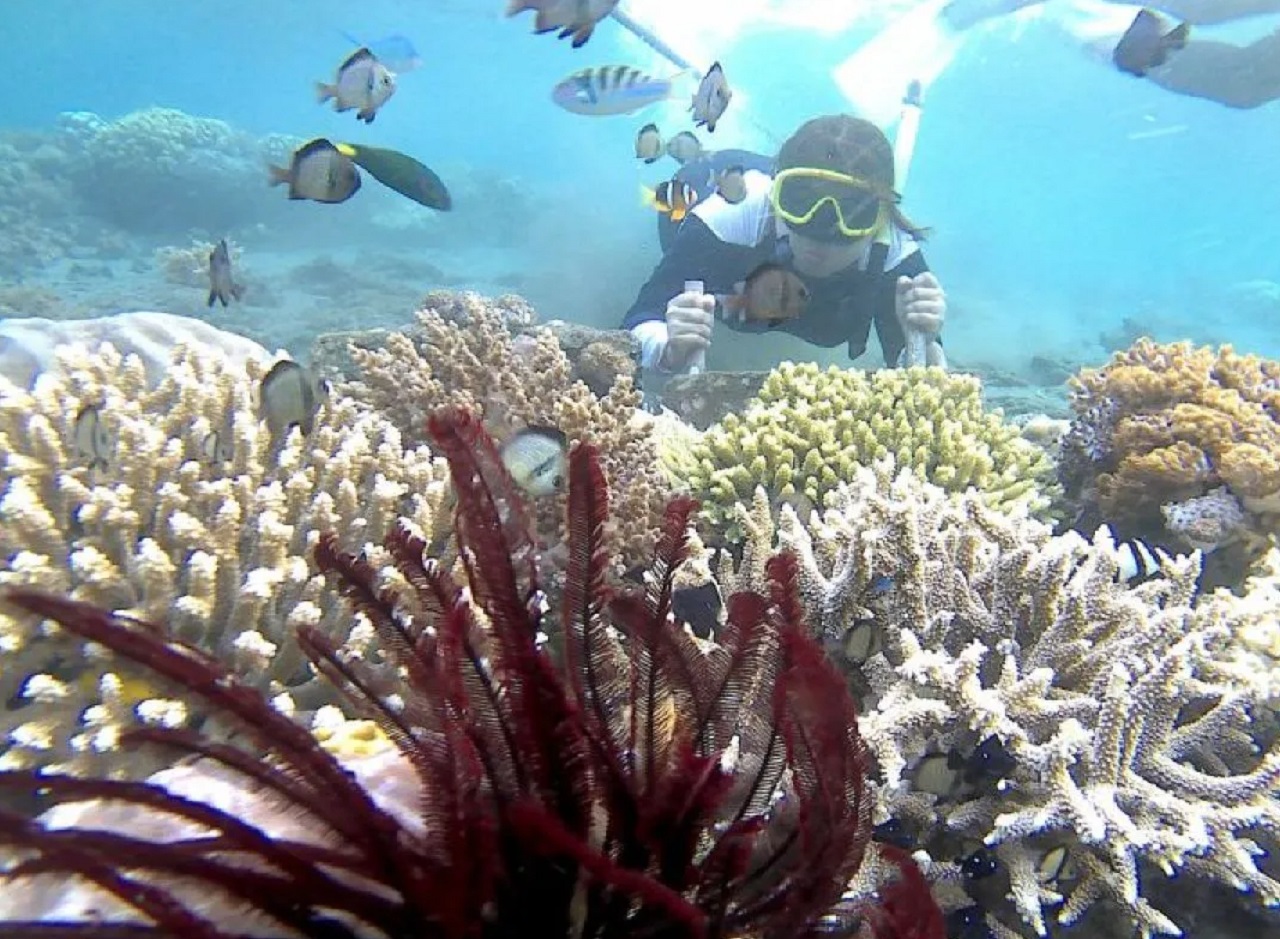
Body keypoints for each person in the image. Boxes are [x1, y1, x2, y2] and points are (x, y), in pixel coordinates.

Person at [621, 115, 947, 381]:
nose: (821, 233)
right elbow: (640, 319)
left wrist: (925, 343)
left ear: (879, 218)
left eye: (853, 212)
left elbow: (922, 382)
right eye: (801, 201)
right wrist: (669, 348)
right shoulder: (728, 216)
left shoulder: (892, 252)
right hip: (705, 183)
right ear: (777, 197)